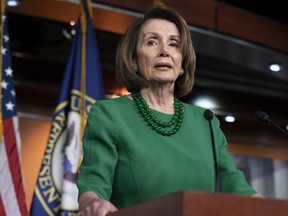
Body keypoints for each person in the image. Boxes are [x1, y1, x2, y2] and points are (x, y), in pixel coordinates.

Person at [76, 6, 263, 216]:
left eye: (173, 44)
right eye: (152, 42)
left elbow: (236, 186)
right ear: (134, 60)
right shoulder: (109, 114)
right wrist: (94, 203)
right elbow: (93, 185)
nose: (164, 50)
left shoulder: (206, 121)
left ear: (181, 62)